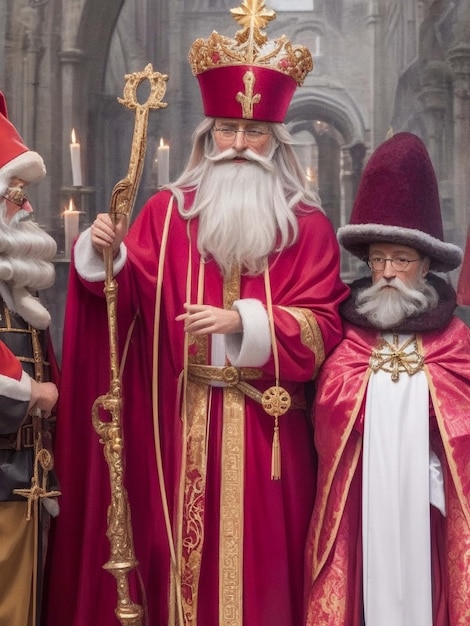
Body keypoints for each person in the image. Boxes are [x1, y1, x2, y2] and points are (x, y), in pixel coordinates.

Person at [44, 3, 348, 625]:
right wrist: (104, 256)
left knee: (266, 574)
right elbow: (125, 309)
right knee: (173, 560)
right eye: (226, 132)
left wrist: (248, 323)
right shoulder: (166, 212)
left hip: (269, 435)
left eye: (254, 132)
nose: (238, 146)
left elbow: (324, 328)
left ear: (276, 139)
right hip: (176, 425)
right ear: (205, 136)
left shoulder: (307, 225)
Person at [305, 131, 470, 626]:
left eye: (401, 260)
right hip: (365, 492)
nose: (388, 273)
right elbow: (329, 409)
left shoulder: (455, 339)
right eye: (379, 259)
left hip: (429, 497)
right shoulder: (348, 336)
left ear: (424, 265)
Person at [0, 91, 60, 626]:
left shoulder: (14, 285)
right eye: (14, 196)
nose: (27, 207)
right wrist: (31, 392)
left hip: (23, 474)